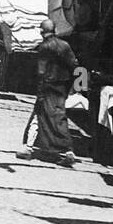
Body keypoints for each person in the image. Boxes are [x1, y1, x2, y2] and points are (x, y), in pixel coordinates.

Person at [16, 18, 78, 165]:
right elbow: (75, 65)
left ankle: (28, 148)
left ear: (41, 31)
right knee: (59, 117)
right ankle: (68, 150)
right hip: (62, 87)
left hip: (47, 87)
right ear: (54, 29)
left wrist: (39, 91)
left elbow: (41, 71)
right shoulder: (65, 45)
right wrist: (78, 87)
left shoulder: (44, 47)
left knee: (38, 116)